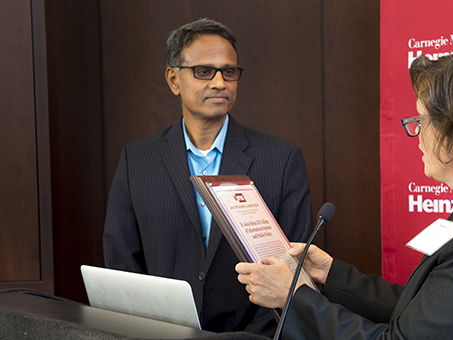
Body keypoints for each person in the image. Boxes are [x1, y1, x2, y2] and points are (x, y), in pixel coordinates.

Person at [236, 50, 453, 339]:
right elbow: (421, 310)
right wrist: (330, 275)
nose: (416, 134)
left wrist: (293, 298)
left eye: (422, 121)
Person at [103, 18, 312, 336]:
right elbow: (122, 263)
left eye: (229, 72)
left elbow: (293, 269)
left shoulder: (282, 159)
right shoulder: (136, 160)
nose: (220, 83)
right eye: (204, 71)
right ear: (174, 80)